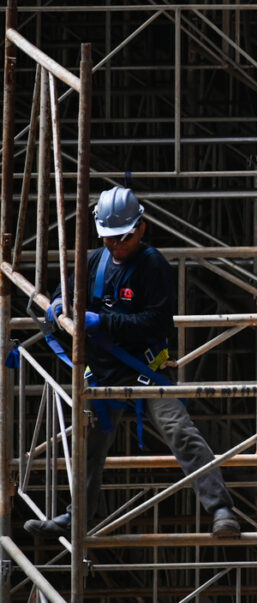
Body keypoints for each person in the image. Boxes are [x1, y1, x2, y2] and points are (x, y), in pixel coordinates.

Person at [23, 186, 240, 540]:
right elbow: (69, 293)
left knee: (180, 431)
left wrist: (103, 322)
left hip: (144, 372)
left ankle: (221, 509)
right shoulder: (96, 260)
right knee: (88, 448)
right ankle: (75, 518)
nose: (116, 245)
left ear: (141, 228)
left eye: (122, 238)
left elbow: (157, 323)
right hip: (103, 375)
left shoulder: (152, 266)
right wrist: (60, 304)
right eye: (109, 239)